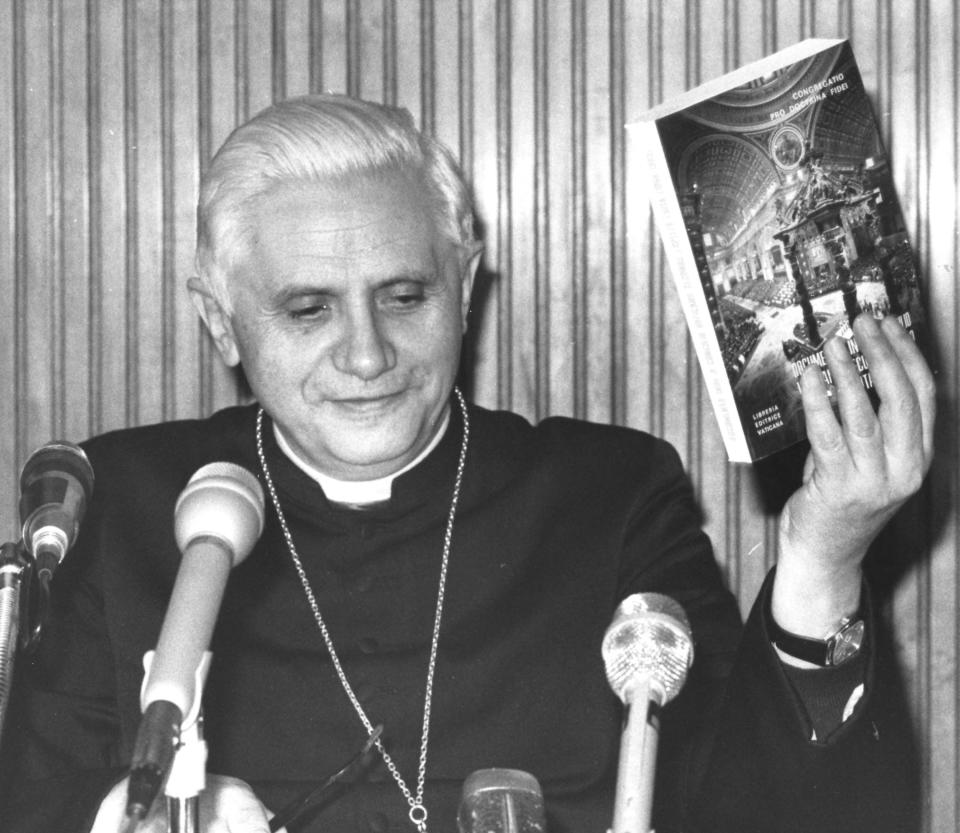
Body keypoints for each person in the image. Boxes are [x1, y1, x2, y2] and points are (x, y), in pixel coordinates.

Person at [0, 94, 934, 833]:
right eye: (308, 310)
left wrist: (825, 558)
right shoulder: (113, 504)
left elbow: (759, 813)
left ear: (466, 283)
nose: (368, 356)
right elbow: (30, 796)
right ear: (221, 321)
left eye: (405, 296)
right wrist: (142, 815)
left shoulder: (608, 496)